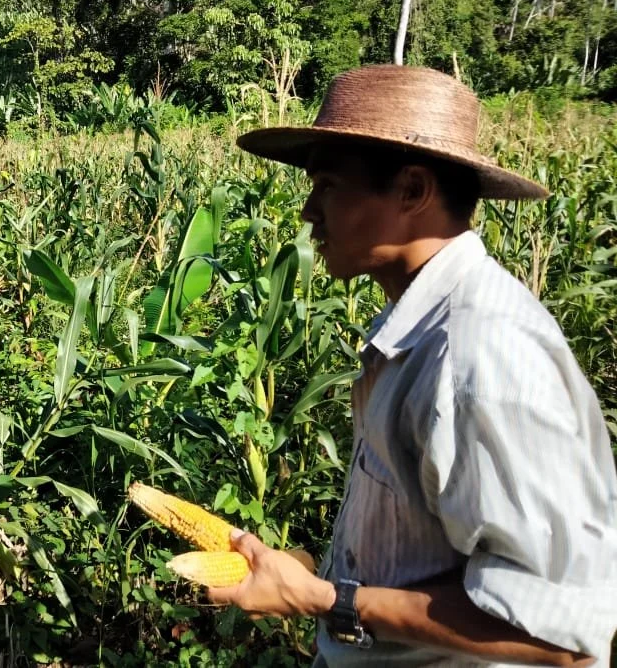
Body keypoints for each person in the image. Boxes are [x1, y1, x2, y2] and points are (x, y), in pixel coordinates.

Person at [207, 65, 617, 666]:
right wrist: (316, 574)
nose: (306, 211)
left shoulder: (481, 358)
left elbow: (558, 632)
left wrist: (329, 599)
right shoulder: (419, 328)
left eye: (327, 185)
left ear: (413, 191)